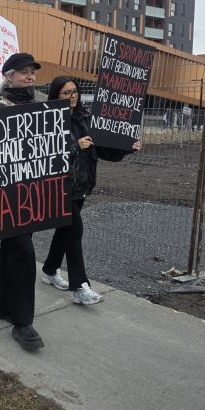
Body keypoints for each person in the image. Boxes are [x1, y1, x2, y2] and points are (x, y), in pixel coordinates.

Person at [42, 76, 142, 305]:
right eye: (66, 93)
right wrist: (74, 146)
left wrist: (128, 148)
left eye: (74, 92)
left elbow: (103, 151)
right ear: (56, 95)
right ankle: (80, 286)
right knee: (75, 231)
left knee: (65, 230)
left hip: (82, 184)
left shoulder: (86, 118)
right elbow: (45, 153)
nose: (72, 96)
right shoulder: (49, 120)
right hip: (59, 185)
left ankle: (49, 269)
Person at [0, 53, 45, 352]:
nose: (29, 76)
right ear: (8, 76)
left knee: (13, 250)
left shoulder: (42, 110)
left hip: (33, 194)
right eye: (22, 72)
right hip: (6, 195)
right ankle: (22, 322)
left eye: (31, 72)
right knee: (24, 255)